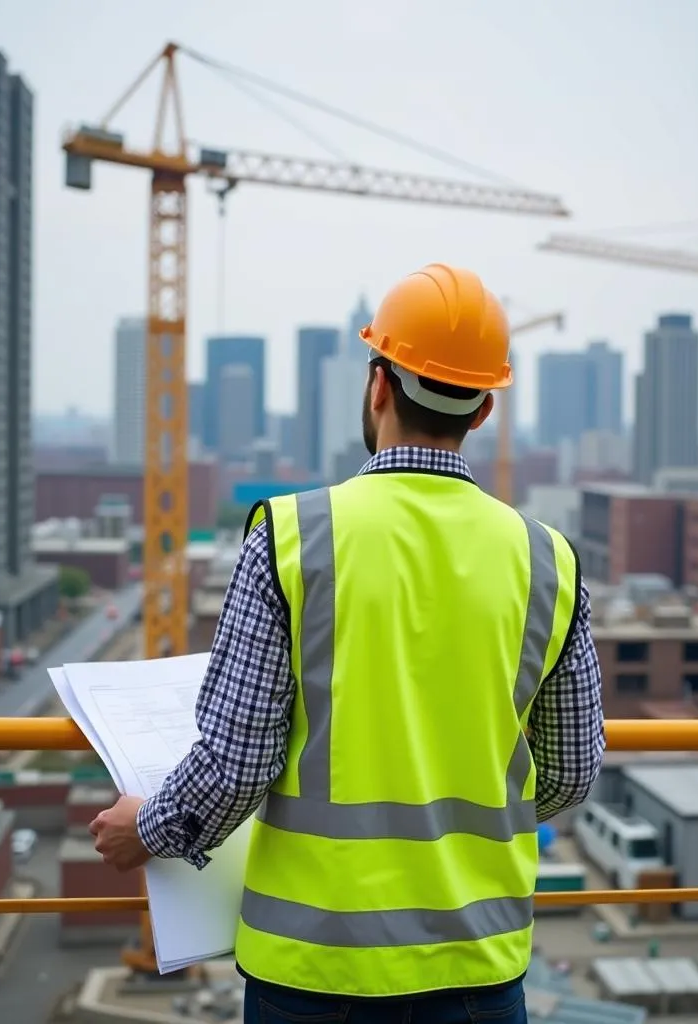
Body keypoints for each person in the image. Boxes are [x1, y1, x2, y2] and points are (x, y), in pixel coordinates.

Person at [90, 263, 605, 1024]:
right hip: (476, 973)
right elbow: (568, 775)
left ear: (377, 385)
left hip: (311, 974)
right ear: (484, 408)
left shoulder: (294, 537)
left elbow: (238, 763)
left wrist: (150, 829)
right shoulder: (547, 559)